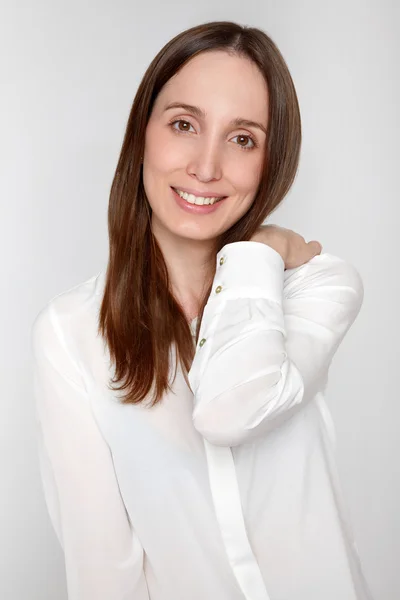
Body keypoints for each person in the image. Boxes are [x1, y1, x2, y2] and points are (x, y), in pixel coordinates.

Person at [31, 20, 374, 600]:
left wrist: (256, 258)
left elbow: (230, 410)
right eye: (184, 125)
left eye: (243, 139)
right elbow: (102, 576)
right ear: (143, 132)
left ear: (273, 160)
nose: (207, 167)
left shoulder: (314, 285)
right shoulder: (71, 335)